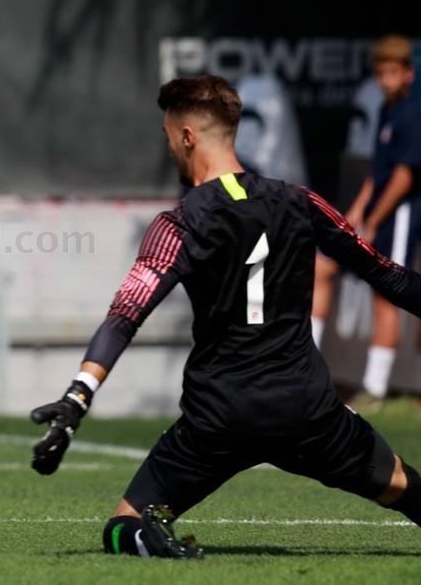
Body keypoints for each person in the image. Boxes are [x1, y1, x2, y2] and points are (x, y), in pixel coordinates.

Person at [30, 74, 421, 559]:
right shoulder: (302, 202)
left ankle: (148, 543)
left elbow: (125, 315)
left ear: (188, 137)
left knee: (121, 525)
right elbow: (392, 278)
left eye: (169, 137)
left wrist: (76, 400)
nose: (170, 147)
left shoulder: (179, 223)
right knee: (409, 489)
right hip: (308, 413)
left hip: (217, 420)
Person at [311, 34, 421, 407]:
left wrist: (374, 219)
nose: (385, 79)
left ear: (408, 73)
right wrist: (356, 213)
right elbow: (379, 171)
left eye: (393, 72)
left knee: (385, 297)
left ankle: (374, 388)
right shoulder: (387, 111)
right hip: (375, 214)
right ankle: (305, 370)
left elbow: (404, 176)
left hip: (399, 216)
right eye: (380, 72)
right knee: (320, 269)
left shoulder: (412, 113)